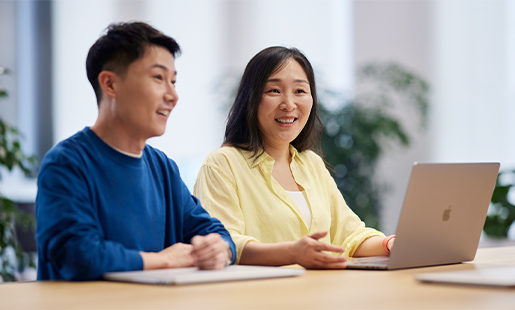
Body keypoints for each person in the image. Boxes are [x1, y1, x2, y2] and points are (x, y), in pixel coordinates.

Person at [36, 22, 235, 281]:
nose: (173, 95)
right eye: (158, 78)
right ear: (110, 84)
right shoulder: (66, 163)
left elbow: (214, 232)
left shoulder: (162, 167)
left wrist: (221, 250)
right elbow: (78, 254)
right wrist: (164, 260)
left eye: (173, 81)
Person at [193, 46, 394, 269]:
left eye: (300, 91)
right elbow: (223, 245)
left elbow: (350, 236)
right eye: (274, 91)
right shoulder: (223, 164)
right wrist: (292, 253)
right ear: (251, 99)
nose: (289, 104)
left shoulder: (311, 164)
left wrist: (390, 244)